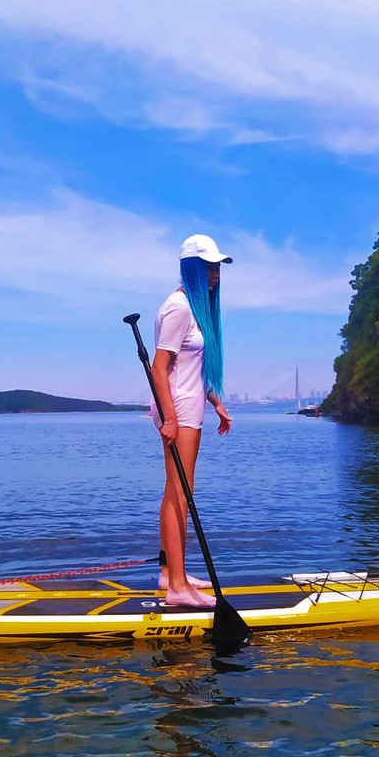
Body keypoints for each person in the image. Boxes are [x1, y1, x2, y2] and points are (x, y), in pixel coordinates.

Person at [150, 234, 233, 608]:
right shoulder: (179, 307)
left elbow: (191, 368)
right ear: (193, 268)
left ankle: (172, 573)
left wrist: (216, 402)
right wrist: (169, 417)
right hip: (178, 411)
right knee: (178, 493)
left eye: (217, 267)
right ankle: (177, 587)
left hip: (188, 407)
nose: (216, 274)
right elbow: (159, 368)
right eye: (210, 266)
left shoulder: (192, 309)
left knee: (180, 492)